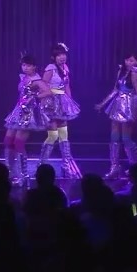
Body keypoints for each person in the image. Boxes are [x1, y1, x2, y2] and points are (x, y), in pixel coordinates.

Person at [94, 50, 137, 180]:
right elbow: (115, 90)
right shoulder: (121, 71)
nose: (129, 62)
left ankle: (135, 167)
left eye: (132, 60)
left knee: (126, 138)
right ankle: (114, 167)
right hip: (117, 105)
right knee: (114, 137)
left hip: (129, 106)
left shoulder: (135, 74)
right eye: (127, 60)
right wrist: (102, 103)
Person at [3, 53, 52, 186]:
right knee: (8, 140)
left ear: (34, 66)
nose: (25, 67)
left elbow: (48, 92)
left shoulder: (37, 80)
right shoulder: (24, 77)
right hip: (18, 111)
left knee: (18, 143)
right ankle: (9, 171)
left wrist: (35, 97)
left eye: (28, 65)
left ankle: (23, 175)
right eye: (23, 65)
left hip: (28, 114)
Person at [39, 43, 82, 178]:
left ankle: (66, 165)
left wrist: (69, 102)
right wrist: (44, 102)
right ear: (54, 57)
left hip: (62, 104)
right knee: (53, 135)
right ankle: (42, 165)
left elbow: (67, 86)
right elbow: (42, 85)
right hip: (51, 103)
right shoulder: (50, 68)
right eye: (59, 55)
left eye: (64, 54)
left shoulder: (65, 68)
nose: (62, 57)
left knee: (64, 135)